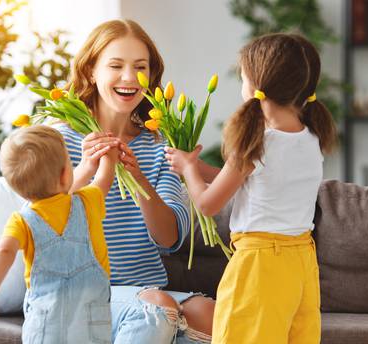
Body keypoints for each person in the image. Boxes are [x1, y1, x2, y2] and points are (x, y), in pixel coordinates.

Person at [165, 33, 336, 344]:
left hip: (260, 265)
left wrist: (189, 170)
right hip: (300, 263)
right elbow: (254, 182)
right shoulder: (311, 138)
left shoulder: (257, 144)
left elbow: (206, 205)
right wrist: (198, 166)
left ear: (257, 84)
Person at [51, 19, 215, 343]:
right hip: (81, 294)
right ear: (90, 71)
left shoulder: (161, 146)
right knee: (155, 309)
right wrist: (86, 169)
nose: (129, 78)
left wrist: (138, 178)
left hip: (147, 290)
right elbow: (43, 223)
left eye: (140, 67)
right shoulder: (59, 140)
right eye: (116, 65)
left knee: (213, 316)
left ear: (151, 77)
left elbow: (169, 239)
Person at [0, 125, 117, 343]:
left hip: (45, 327)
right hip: (91, 325)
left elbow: (3, 250)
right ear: (64, 174)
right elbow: (104, 179)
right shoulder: (87, 201)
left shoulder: (21, 220)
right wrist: (109, 156)